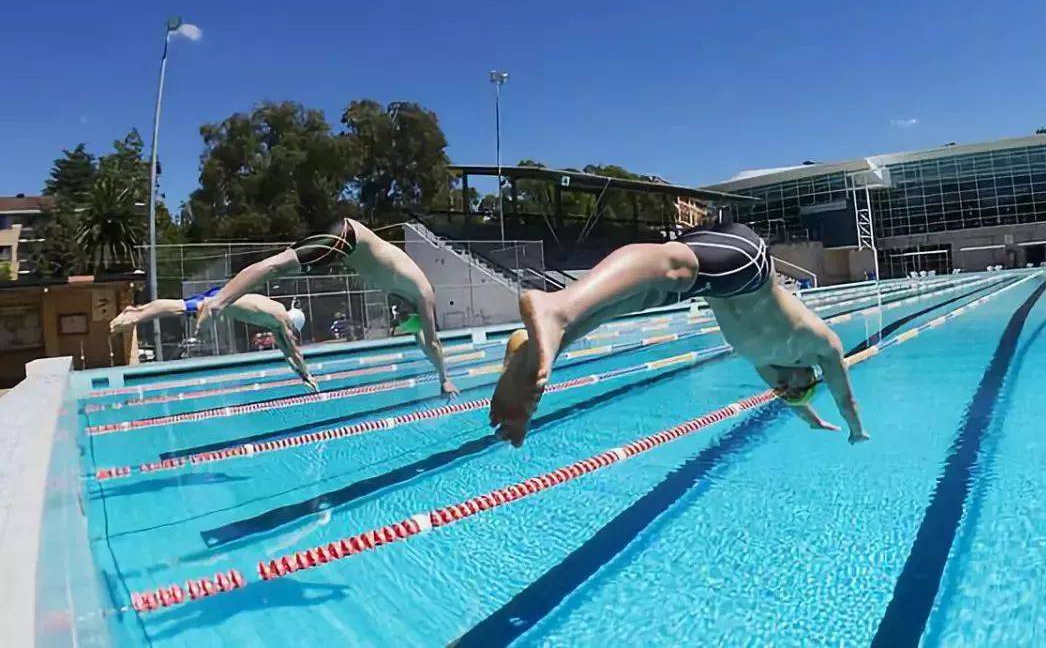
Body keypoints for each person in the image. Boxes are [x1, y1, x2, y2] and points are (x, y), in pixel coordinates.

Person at [489, 217, 868, 447]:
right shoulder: (818, 344)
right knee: (674, 267)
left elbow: (799, 403)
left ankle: (531, 354)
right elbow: (845, 395)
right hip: (748, 264)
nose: (789, 389)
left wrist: (811, 417)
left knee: (627, 301)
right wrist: (855, 429)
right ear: (811, 375)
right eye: (800, 389)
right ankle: (557, 307)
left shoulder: (765, 366)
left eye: (788, 393)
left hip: (713, 284)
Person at [195, 219, 458, 395]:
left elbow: (421, 339)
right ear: (415, 312)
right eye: (402, 315)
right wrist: (444, 377)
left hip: (343, 241)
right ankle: (218, 303)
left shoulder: (407, 294)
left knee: (280, 269)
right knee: (276, 266)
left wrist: (438, 372)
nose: (396, 313)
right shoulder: (424, 294)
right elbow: (431, 341)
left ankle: (220, 301)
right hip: (346, 237)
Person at [110, 289, 317, 390]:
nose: (291, 332)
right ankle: (135, 313)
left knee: (179, 306)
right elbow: (293, 350)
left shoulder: (277, 320)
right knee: (178, 308)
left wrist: (300, 373)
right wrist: (308, 374)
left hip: (221, 298)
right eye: (293, 330)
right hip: (217, 302)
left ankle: (137, 313)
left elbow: (287, 351)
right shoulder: (281, 319)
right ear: (293, 324)